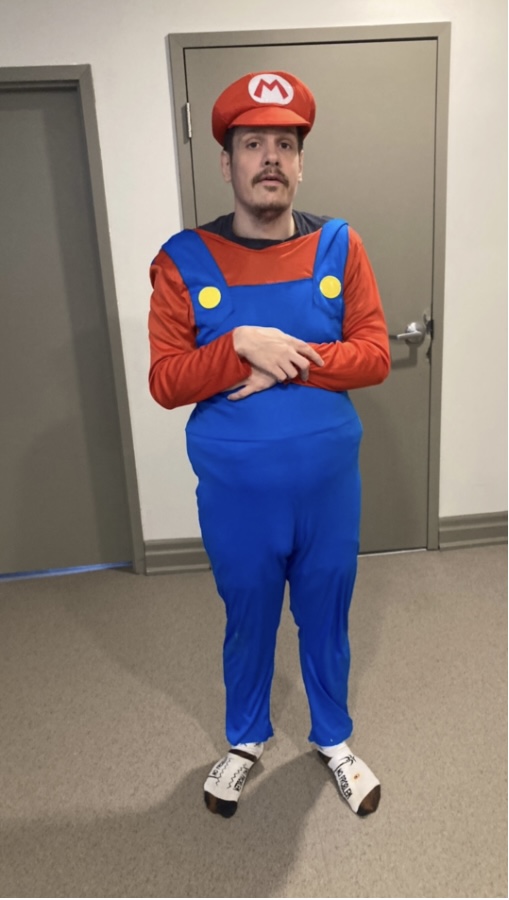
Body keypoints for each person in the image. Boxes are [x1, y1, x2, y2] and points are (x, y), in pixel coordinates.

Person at [149, 70, 390, 819]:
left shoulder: (340, 245)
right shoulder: (183, 259)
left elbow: (375, 355)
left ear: (300, 163)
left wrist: (287, 355)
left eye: (284, 144)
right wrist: (236, 346)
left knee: (327, 615)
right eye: (252, 144)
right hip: (238, 496)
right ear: (226, 163)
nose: (270, 159)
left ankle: (333, 738)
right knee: (248, 616)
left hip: (328, 492)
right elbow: (165, 381)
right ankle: (246, 736)